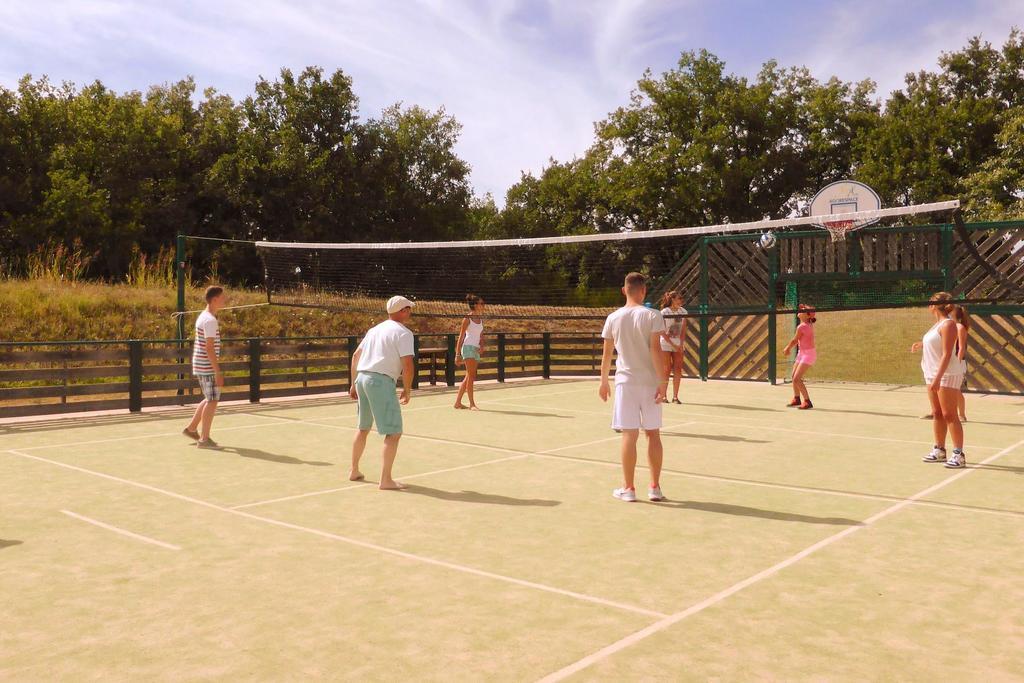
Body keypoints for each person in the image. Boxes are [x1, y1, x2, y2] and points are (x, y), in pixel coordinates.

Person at [599, 272, 669, 503]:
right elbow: (656, 350)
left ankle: (628, 488)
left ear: (624, 290)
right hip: (649, 382)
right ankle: (655, 487)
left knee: (629, 435)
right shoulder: (654, 315)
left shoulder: (613, 318)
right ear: (644, 290)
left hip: (625, 383)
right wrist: (662, 382)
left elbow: (607, 354)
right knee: (653, 434)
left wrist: (603, 381)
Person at [349, 296, 416, 490]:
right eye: (408, 309)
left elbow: (355, 356)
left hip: (362, 378)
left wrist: (354, 383)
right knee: (393, 433)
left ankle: (354, 470)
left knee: (363, 428)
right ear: (402, 311)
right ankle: (385, 480)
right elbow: (407, 365)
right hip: (380, 381)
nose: (410, 312)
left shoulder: (374, 330)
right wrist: (407, 389)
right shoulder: (404, 333)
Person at [910, 292, 966, 468]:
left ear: (935, 305)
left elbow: (947, 353)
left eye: (931, 302)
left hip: (946, 374)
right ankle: (939, 449)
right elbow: (935, 344)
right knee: (937, 412)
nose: (928, 304)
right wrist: (921, 344)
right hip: (931, 372)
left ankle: (959, 454)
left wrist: (938, 378)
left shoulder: (949, 324)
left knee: (950, 414)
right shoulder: (937, 325)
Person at [184, 286, 227, 448]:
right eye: (222, 298)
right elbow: (209, 347)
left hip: (201, 364)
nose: (224, 300)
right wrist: (217, 371)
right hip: (207, 366)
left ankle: (191, 429)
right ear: (214, 299)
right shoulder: (210, 320)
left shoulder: (205, 317)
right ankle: (204, 439)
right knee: (213, 400)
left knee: (209, 398)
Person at [781, 304, 816, 410]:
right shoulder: (806, 324)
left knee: (796, 378)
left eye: (803, 310)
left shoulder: (802, 326)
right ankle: (797, 398)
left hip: (808, 354)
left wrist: (787, 348)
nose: (800, 310)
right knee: (793, 376)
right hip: (802, 353)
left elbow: (795, 340)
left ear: (808, 315)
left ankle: (807, 401)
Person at [454, 294, 485, 410]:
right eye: (481, 303)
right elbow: (461, 337)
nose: (483, 305)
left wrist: (482, 346)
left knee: (468, 376)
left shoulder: (480, 319)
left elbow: (481, 335)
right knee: (471, 376)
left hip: (475, 349)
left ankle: (457, 403)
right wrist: (457, 354)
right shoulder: (467, 318)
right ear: (475, 305)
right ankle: (472, 404)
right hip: (467, 348)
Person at [659, 290, 687, 405]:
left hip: (678, 344)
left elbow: (683, 330)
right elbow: (662, 331)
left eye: (681, 298)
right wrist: (672, 344)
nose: (681, 300)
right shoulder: (664, 312)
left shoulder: (683, 312)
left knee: (678, 369)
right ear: (673, 300)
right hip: (665, 344)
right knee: (666, 369)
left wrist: (680, 344)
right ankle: (663, 396)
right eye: (679, 298)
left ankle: (675, 397)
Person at [953, 305, 971, 422]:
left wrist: (957, 362)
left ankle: (962, 415)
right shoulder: (948, 326)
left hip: (958, 362)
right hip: (950, 361)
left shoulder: (959, 327)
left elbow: (961, 348)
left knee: (956, 389)